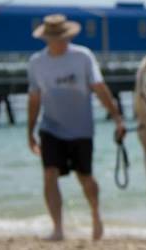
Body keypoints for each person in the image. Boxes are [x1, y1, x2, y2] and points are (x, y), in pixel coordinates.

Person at [26, 14, 126, 241]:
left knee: (85, 178)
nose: (60, 41)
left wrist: (117, 118)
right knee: (49, 174)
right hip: (50, 127)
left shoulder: (83, 57)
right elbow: (34, 99)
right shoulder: (36, 63)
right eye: (55, 38)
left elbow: (99, 88)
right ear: (46, 39)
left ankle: (95, 215)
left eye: (63, 37)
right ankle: (58, 228)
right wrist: (30, 132)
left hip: (81, 129)